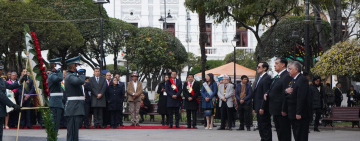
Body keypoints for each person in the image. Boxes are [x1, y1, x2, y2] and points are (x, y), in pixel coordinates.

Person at [261, 57, 292, 141]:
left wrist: (284, 109)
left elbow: (285, 94)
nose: (274, 65)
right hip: (275, 109)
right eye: (274, 63)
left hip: (281, 110)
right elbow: (274, 88)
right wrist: (267, 93)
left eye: (277, 63)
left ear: (283, 65)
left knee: (284, 133)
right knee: (279, 132)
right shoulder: (278, 76)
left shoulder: (286, 76)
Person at [285, 61, 311, 141]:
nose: (288, 71)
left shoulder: (302, 79)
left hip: (300, 114)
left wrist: (298, 112)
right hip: (293, 112)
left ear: (296, 70)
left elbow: (301, 97)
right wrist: (286, 91)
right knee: (297, 135)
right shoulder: (294, 80)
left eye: (290, 69)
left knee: (301, 135)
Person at [64, 56, 86, 141]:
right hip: (73, 108)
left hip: (76, 107)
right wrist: (82, 74)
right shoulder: (69, 76)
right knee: (72, 132)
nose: (79, 67)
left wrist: (80, 74)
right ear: (74, 66)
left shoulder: (73, 75)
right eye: (78, 65)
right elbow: (80, 81)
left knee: (75, 132)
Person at [0, 60, 22, 141]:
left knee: (0, 133)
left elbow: (10, 86)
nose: (1, 71)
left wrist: (20, 81)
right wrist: (13, 105)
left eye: (1, 69)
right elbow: (1, 96)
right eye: (0, 70)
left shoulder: (1, 80)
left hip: (1, 110)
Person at [253, 62, 272, 141]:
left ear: (265, 68)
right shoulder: (260, 78)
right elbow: (257, 94)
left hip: (263, 108)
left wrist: (262, 107)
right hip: (258, 106)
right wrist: (255, 107)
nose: (257, 68)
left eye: (259, 67)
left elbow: (265, 94)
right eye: (257, 67)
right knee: (261, 126)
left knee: (265, 127)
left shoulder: (266, 78)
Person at [47, 57, 64, 135]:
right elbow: (60, 78)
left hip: (57, 101)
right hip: (55, 102)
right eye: (58, 65)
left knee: (56, 124)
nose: (60, 66)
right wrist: (60, 71)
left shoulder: (54, 74)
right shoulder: (51, 75)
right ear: (54, 65)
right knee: (54, 124)